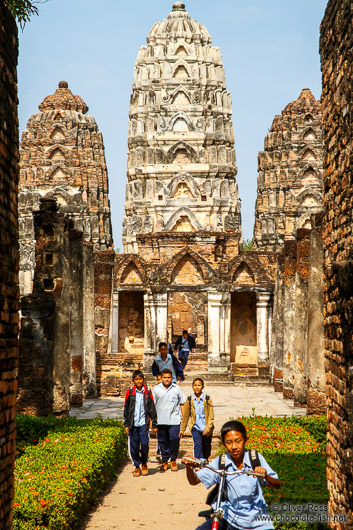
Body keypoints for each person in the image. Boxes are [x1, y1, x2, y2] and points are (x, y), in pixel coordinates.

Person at [183, 420, 280, 530]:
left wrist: (265, 475)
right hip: (229, 518)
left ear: (245, 441)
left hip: (258, 523)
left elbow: (277, 485)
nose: (234, 446)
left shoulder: (255, 458)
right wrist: (189, 468)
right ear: (224, 444)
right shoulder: (222, 461)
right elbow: (194, 481)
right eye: (229, 442)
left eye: (238, 441)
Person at [123, 370, 157, 477]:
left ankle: (144, 463)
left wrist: (154, 424)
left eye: (140, 379)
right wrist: (126, 424)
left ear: (143, 380)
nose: (138, 381)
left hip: (143, 423)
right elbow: (126, 409)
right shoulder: (130, 392)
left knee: (145, 443)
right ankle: (137, 466)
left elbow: (152, 409)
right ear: (133, 381)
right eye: (136, 379)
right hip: (133, 423)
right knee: (134, 445)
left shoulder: (148, 392)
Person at [153, 368, 186, 472]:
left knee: (175, 439)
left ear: (172, 378)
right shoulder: (156, 389)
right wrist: (151, 421)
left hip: (174, 419)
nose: (167, 379)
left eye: (169, 377)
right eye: (165, 377)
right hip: (161, 419)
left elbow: (182, 403)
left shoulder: (176, 389)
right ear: (161, 378)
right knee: (162, 441)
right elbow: (152, 406)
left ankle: (173, 459)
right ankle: (164, 460)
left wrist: (183, 419)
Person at [179, 377, 214, 461]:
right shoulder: (189, 399)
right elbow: (186, 416)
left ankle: (205, 460)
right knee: (197, 445)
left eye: (199, 385)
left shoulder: (207, 399)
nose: (197, 387)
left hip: (206, 427)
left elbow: (211, 416)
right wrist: (182, 430)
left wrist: (208, 428)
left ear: (203, 387)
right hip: (195, 427)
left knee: (206, 447)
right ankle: (198, 462)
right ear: (192, 386)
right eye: (195, 385)